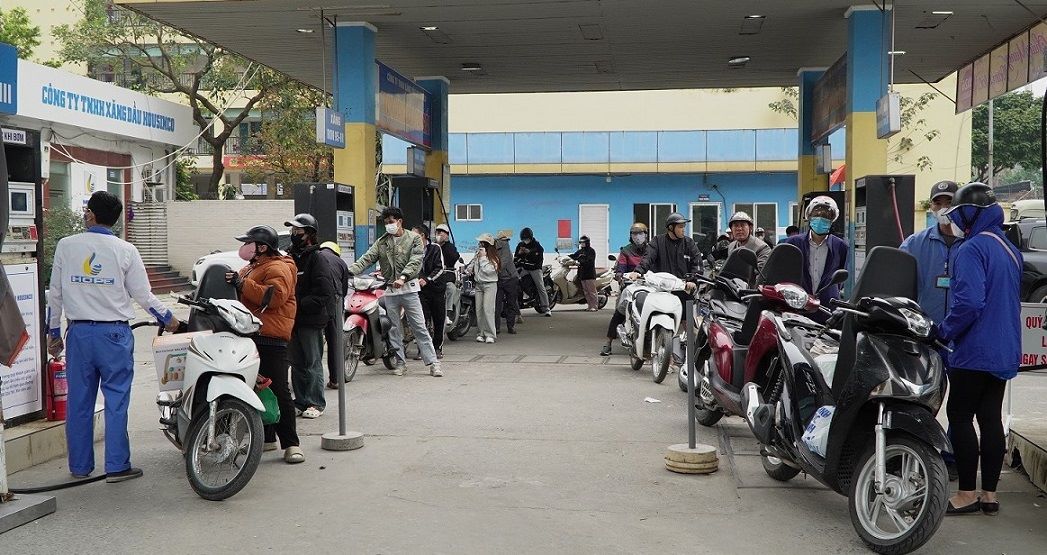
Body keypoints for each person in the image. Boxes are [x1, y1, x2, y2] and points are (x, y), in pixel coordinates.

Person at [47, 191, 181, 482]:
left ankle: (80, 467)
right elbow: (144, 296)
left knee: (79, 402)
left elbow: (54, 294)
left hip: (79, 334)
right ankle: (117, 466)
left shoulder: (66, 246)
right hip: (114, 335)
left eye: (87, 210)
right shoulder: (125, 250)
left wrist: (54, 333)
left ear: (92, 215)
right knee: (116, 400)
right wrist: (170, 320)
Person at [938, 182, 1021, 516]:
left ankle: (967, 493)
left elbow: (970, 302)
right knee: (989, 418)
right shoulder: (1007, 247)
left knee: (959, 416)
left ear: (970, 214)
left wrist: (944, 331)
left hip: (974, 350)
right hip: (1003, 349)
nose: (953, 219)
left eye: (958, 213)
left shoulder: (971, 248)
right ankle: (989, 494)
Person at [226, 225, 303, 464]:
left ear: (262, 246)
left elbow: (275, 296)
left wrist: (241, 284)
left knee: (279, 389)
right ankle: (267, 438)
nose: (245, 247)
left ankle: (291, 444)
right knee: (257, 388)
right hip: (251, 334)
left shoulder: (278, 267)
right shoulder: (252, 267)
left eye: (249, 243)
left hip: (271, 336)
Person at [901, 181, 962, 480]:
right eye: (938, 203)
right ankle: (917, 453)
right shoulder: (915, 243)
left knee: (961, 403)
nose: (943, 208)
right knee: (919, 397)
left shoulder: (971, 243)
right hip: (924, 335)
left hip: (962, 337)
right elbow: (896, 278)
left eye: (949, 202)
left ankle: (951, 457)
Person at [348, 207, 442, 377]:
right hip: (390, 291)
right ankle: (400, 362)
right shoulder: (382, 242)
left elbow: (415, 261)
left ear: (399, 222)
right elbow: (367, 258)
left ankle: (433, 363)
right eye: (386, 223)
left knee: (419, 327)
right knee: (393, 329)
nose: (388, 226)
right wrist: (348, 271)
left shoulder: (414, 239)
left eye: (391, 222)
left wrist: (404, 277)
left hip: (409, 289)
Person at [285, 213, 339, 418]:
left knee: (312, 362)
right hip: (292, 320)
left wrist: (299, 305)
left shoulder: (317, 259)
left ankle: (316, 402)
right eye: (293, 230)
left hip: (311, 320)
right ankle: (300, 401)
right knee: (296, 364)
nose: (294, 234)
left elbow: (325, 293)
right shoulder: (289, 256)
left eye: (298, 231)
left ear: (309, 234)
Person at [783, 196, 848, 308]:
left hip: (827, 307)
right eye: (816, 215)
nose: (820, 218)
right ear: (809, 217)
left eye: (825, 216)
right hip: (797, 304)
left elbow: (841, 277)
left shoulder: (841, 246)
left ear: (832, 220)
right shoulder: (793, 243)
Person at [600, 223, 650, 356]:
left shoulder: (652, 250)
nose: (638, 236)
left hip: (649, 286)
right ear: (631, 236)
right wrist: (620, 276)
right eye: (635, 234)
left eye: (641, 233)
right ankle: (608, 343)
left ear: (646, 235)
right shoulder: (626, 251)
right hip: (630, 287)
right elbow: (620, 268)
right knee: (619, 313)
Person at [319, 241, 350, 390]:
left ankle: (314, 378)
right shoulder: (341, 262)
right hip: (335, 302)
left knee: (314, 341)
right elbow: (343, 290)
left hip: (316, 303)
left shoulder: (315, 257)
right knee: (334, 341)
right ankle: (335, 379)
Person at [412, 224, 447, 360]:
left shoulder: (435, 248)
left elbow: (440, 268)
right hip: (420, 291)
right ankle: (423, 349)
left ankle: (437, 347)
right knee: (421, 321)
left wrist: (427, 279)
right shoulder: (413, 250)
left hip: (437, 289)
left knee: (439, 319)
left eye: (414, 235)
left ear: (422, 236)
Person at [469, 233, 501, 343]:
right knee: (479, 310)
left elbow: (489, 271)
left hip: (490, 285)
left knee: (488, 309)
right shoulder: (478, 254)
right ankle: (480, 333)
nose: (480, 245)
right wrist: (469, 268)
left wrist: (483, 259)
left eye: (482, 243)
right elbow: (472, 265)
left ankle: (490, 334)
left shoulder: (494, 257)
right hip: (479, 285)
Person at [515, 227, 551, 316]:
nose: (525, 241)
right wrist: (519, 254)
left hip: (535, 269)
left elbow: (539, 259)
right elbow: (516, 258)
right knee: (515, 280)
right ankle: (520, 301)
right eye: (523, 239)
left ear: (530, 238)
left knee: (540, 286)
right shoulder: (520, 245)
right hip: (524, 268)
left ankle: (546, 308)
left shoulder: (537, 246)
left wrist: (529, 252)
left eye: (526, 239)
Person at [494, 230, 521, 332]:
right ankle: (507, 327)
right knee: (508, 304)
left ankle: (505, 327)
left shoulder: (502, 247)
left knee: (503, 304)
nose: (505, 241)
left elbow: (504, 262)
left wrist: (493, 270)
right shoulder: (503, 246)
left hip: (507, 278)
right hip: (507, 278)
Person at [434, 223, 461, 323]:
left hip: (447, 275)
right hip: (434, 275)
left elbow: (454, 257)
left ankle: (448, 312)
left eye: (441, 233)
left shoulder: (450, 247)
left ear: (446, 235)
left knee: (450, 288)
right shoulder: (433, 246)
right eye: (437, 232)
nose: (439, 234)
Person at [570, 235, 599, 311]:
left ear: (587, 242)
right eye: (581, 243)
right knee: (586, 292)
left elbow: (589, 261)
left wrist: (580, 262)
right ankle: (590, 306)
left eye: (583, 242)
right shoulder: (580, 251)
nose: (582, 244)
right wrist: (565, 258)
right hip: (582, 274)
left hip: (589, 274)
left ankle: (595, 306)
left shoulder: (591, 251)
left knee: (591, 292)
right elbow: (573, 256)